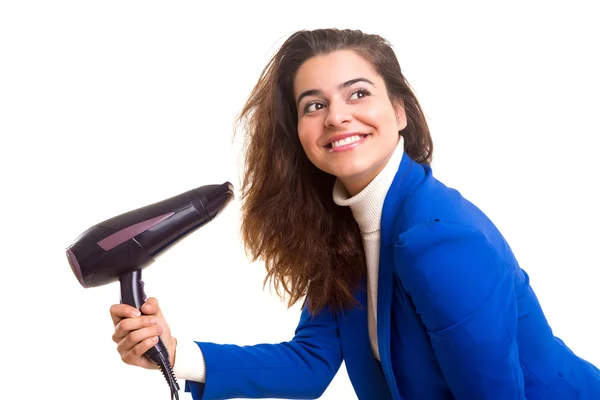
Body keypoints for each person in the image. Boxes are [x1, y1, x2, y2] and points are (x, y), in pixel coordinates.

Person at [109, 28, 600, 399]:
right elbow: (311, 361)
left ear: (401, 111)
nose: (337, 116)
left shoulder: (439, 238)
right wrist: (176, 355)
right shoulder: (348, 230)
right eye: (313, 104)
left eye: (358, 93)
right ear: (298, 134)